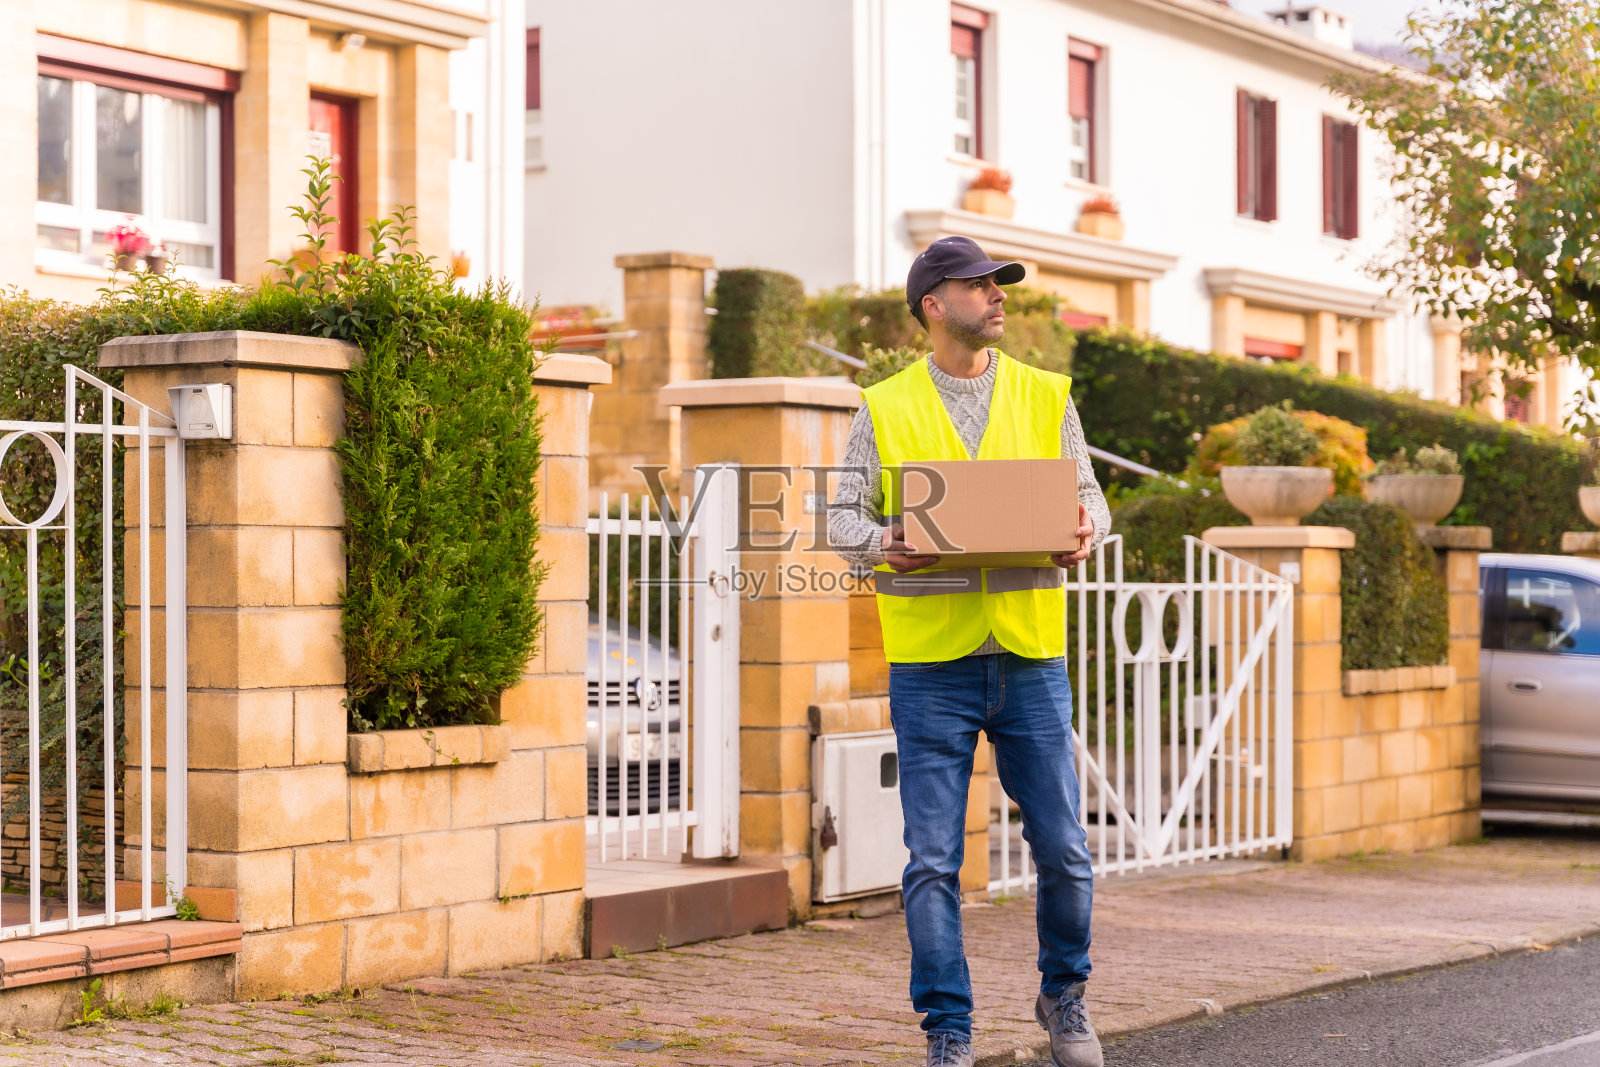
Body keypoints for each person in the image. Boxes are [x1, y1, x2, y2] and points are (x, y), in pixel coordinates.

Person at [827, 236, 1110, 1067]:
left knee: (1063, 846)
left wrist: (1087, 531)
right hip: (932, 667)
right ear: (932, 305)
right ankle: (948, 1030)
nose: (997, 295)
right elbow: (840, 517)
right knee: (934, 860)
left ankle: (1064, 995)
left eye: (998, 284)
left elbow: (1088, 494)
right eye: (978, 285)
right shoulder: (884, 405)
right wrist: (883, 539)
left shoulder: (1044, 394)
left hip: (1030, 658)